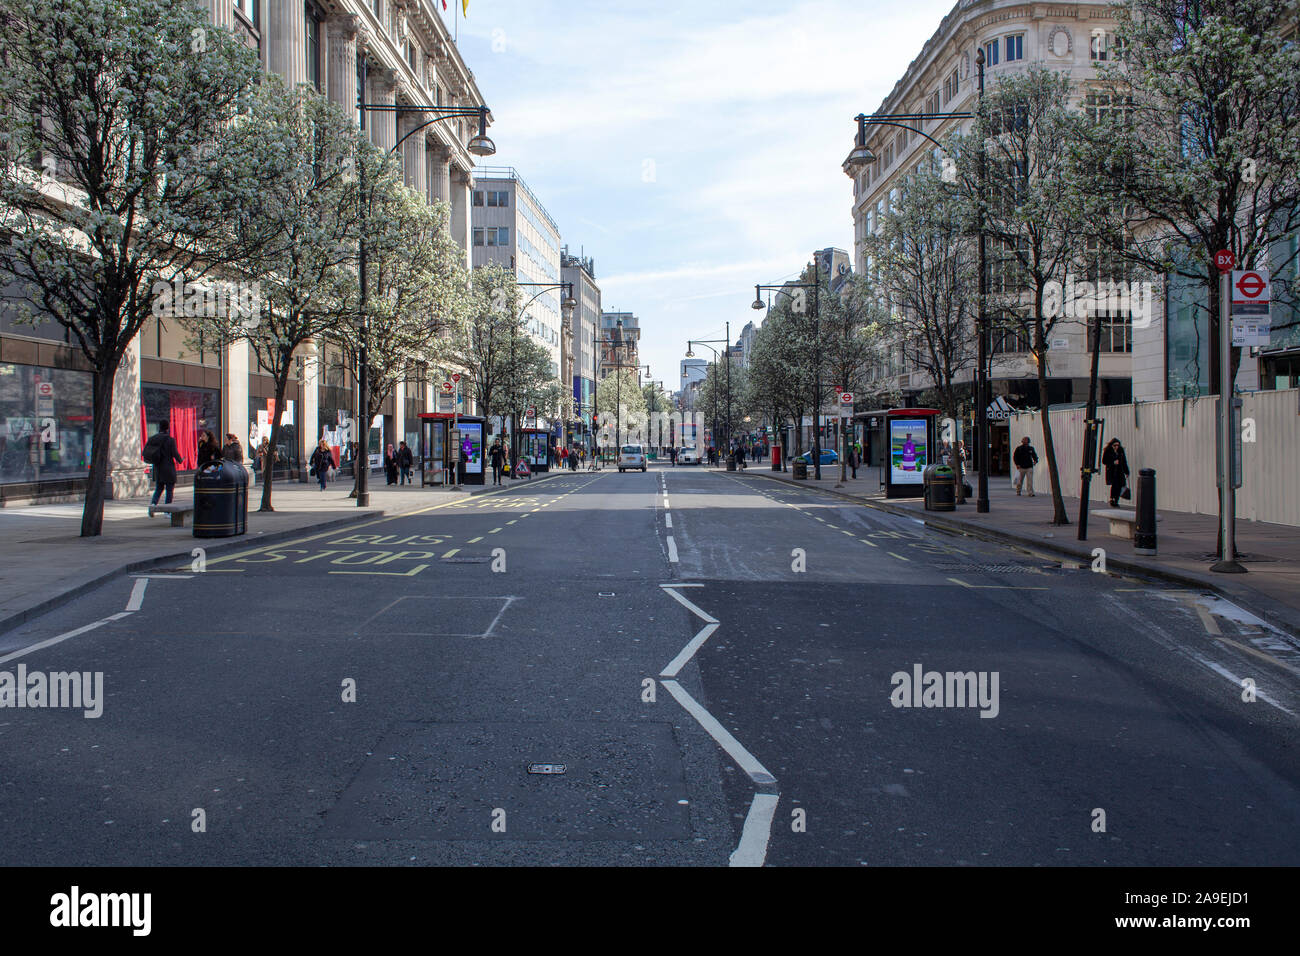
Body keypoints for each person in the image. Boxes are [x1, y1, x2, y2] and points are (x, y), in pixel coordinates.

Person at [143, 419, 183, 514]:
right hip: (168, 468)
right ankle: (167, 512)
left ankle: (153, 505)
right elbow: (175, 453)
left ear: (159, 427)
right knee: (169, 490)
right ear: (168, 428)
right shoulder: (170, 440)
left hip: (158, 468)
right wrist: (181, 460)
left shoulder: (153, 438)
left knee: (158, 489)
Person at [1101, 437, 1130, 507]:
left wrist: (1127, 471)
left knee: (1120, 485)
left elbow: (1124, 461)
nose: (1116, 447)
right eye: (1115, 445)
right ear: (1111, 445)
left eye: (1118, 445)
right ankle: (1112, 499)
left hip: (1120, 471)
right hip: (1112, 471)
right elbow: (1104, 461)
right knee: (1114, 485)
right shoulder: (1107, 450)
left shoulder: (1121, 450)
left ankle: (1116, 500)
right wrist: (1113, 462)